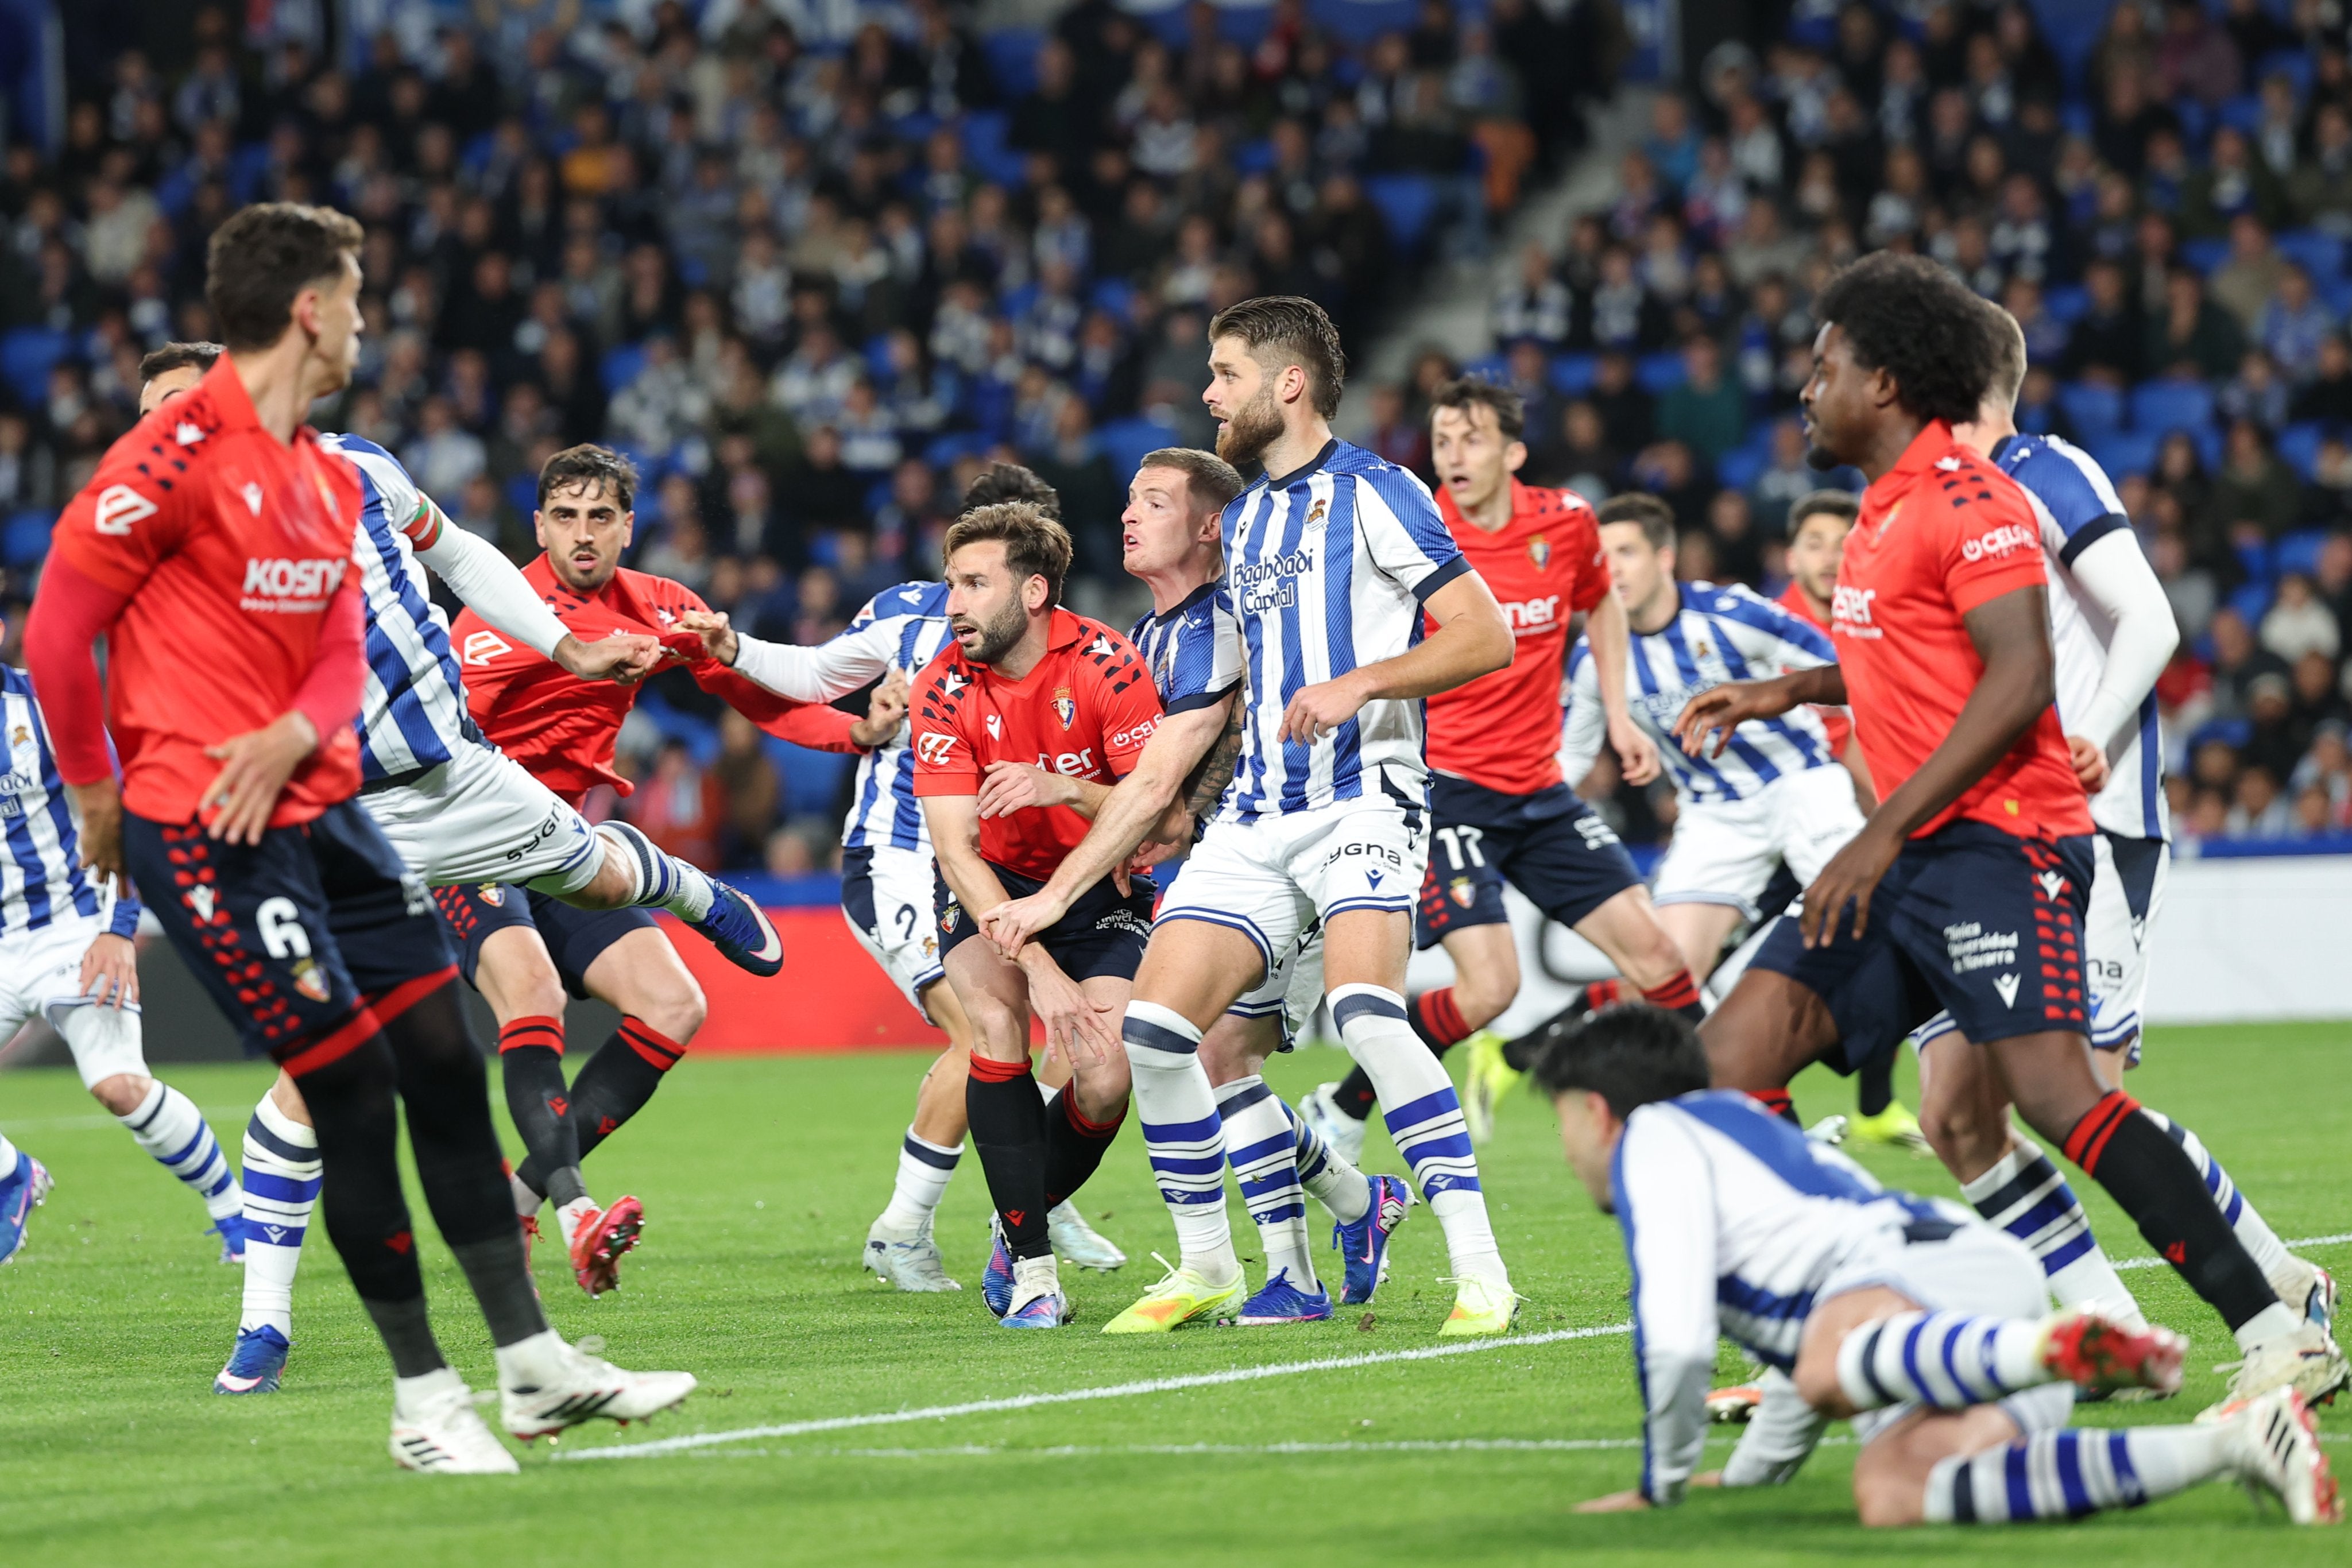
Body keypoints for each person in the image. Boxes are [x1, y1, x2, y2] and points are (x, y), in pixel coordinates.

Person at [27, 201, 690, 1475]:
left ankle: (534, 1370)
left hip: (326, 805)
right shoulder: (163, 470)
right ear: (306, 312)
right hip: (209, 829)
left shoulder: (324, 474)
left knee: (443, 1061)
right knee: (354, 1087)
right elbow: (61, 627)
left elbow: (340, 644)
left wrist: (301, 728)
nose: (370, 320)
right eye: (357, 294)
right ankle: (424, 1406)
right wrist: (99, 798)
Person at [1676, 251, 2346, 1410]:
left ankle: (2274, 1329)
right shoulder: (1881, 510)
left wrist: (1877, 832)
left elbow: (2019, 678)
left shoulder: (1971, 496)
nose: (1802, 388)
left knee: (2057, 1098)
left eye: (1822, 365)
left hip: (2003, 845)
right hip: (1912, 847)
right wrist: (1784, 693)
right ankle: (1828, 1324)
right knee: (1727, 1065)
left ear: (1881, 382)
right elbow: (1910, 667)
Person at [134, 350, 792, 1392]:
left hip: (465, 781)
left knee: (615, 891)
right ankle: (269, 1325)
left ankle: (685, 889)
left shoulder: (357, 466)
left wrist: (571, 652)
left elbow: (462, 557)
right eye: (149, 418)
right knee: (325, 1073)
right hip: (349, 822)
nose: (166, 430)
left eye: (181, 406)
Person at [979, 296, 1522, 1336]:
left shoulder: (1378, 493)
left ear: (1289, 384)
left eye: (1225, 373)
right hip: (1261, 813)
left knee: (1368, 1015)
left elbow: (1484, 635)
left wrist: (1363, 684)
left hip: (1366, 795)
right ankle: (1213, 1269)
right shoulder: (1251, 521)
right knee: (1156, 1032)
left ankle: (1481, 1271)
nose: (1208, 393)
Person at [1904, 303, 2337, 1337]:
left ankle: (2276, 1283)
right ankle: (2110, 1321)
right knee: (1957, 1111)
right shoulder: (1933, 501)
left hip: (2092, 822)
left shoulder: (2048, 470)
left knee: (2086, 1094)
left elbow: (2150, 618)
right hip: (1990, 834)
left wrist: (2090, 732)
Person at [1535, 1003, 2338, 1528]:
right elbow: (1802, 1368)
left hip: (1932, 1286)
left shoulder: (1654, 1138)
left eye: (1565, 1118)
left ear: (1598, 1111)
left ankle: (2051, 1346)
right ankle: (2240, 1445)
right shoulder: (1729, 1131)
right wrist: (1751, 1479)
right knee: (1894, 1488)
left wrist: (1661, 1483)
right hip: (1962, 1297)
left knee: (1823, 1353)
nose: (1568, 1149)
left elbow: (1679, 1342)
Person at [442, 443, 888, 1295]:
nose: (583, 534)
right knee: (529, 994)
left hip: (566, 850)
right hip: (471, 848)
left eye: (600, 516)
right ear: (537, 526)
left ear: (627, 527)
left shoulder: (658, 606)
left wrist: (856, 732)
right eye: (565, 517)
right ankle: (574, 1212)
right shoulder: (495, 615)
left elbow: (759, 695)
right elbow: (448, 746)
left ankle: (518, 1198)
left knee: (675, 1004)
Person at [680, 462, 1127, 1294]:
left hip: (1001, 865)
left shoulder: (1072, 644)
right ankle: (906, 1227)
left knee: (1063, 1033)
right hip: (901, 858)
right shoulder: (905, 617)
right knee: (983, 1031)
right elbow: (817, 677)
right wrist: (845, 711)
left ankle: (1033, 1204)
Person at [1293, 377, 1705, 1156]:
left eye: (1472, 438)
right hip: (1445, 792)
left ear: (1514, 451)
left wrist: (1617, 712)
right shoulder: (1415, 536)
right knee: (1492, 987)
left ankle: (1740, 1116)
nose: (1453, 454)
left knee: (1660, 963)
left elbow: (1602, 603)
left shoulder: (1568, 523)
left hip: (1540, 790)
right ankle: (1346, 1107)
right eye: (1442, 439)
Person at [1116, 446, 1409, 1323]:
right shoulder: (1150, 633)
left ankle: (1296, 1273)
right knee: (1209, 1061)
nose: (1129, 514)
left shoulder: (1241, 614)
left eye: (1154, 500)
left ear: (1213, 527)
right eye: (1131, 499)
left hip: (1286, 851)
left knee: (1218, 1059)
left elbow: (1221, 752)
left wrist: (1162, 812)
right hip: (1226, 868)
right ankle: (1360, 1205)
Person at [911, 501, 1163, 1328]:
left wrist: (1066, 788)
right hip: (995, 884)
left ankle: (1015, 1215)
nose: (955, 603)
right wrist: (1040, 967)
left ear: (1034, 591)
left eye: (975, 583)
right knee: (995, 1024)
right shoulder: (942, 683)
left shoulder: (1108, 664)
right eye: (952, 583)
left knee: (1107, 1071)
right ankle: (1033, 1270)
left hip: (1099, 889)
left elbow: (1160, 818)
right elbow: (956, 850)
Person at [0, 606, 247, 1262]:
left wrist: (119, 927)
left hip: (72, 928)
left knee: (117, 1086)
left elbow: (121, 813)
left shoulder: (47, 710)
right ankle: (11, 1177)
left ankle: (233, 1211)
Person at [1770, 488, 1922, 1151]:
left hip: (1840, 816)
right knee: (1687, 966)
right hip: (1778, 821)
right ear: (1790, 555)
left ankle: (1874, 1105)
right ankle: (1524, 1053)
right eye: (1814, 543)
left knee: (1872, 937)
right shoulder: (1776, 627)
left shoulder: (1870, 616)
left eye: (1842, 542)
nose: (1830, 557)